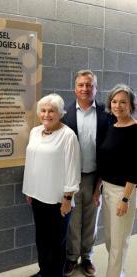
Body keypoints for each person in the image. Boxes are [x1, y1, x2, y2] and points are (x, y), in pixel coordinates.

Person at [23, 93, 81, 277]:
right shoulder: (35, 132)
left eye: (52, 111)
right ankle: (44, 271)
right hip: (38, 196)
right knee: (42, 239)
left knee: (57, 242)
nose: (46, 114)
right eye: (43, 110)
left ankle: (55, 274)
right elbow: (31, 162)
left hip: (58, 200)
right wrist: (29, 190)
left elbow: (73, 169)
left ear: (60, 113)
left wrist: (67, 198)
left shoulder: (68, 135)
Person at [63, 69, 112, 276]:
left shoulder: (105, 114)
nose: (85, 89)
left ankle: (87, 256)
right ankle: (72, 258)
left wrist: (100, 184)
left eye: (89, 85)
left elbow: (108, 150)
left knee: (91, 219)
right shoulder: (65, 114)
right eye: (81, 85)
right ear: (75, 88)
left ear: (96, 88)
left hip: (95, 177)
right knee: (73, 220)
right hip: (71, 177)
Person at [97, 84, 137, 277]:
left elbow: (135, 168)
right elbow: (104, 162)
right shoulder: (112, 126)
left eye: (123, 102)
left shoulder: (135, 129)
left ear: (131, 105)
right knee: (111, 240)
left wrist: (126, 199)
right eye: (114, 101)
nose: (118, 105)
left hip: (124, 191)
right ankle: (118, 272)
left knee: (119, 242)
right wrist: (98, 188)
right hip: (107, 189)